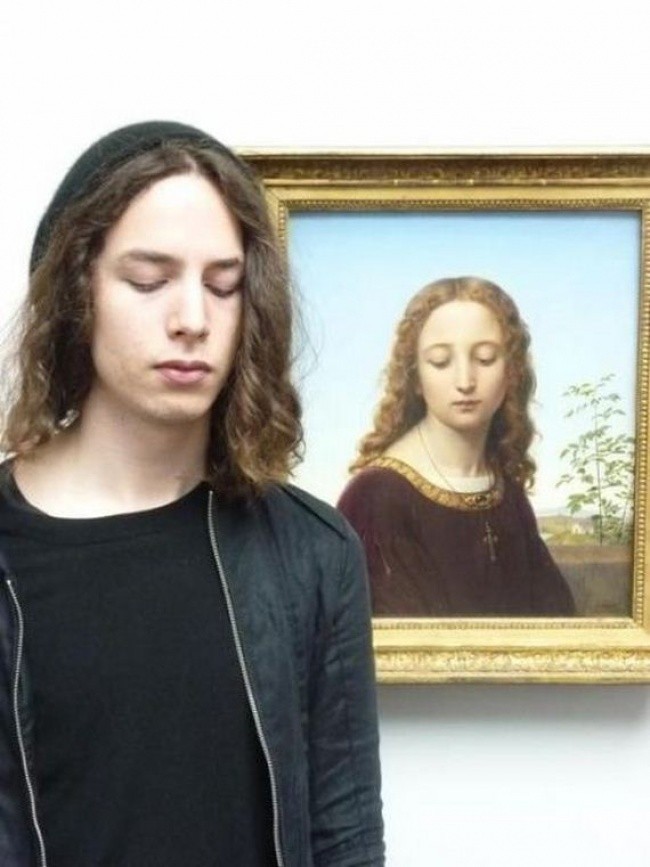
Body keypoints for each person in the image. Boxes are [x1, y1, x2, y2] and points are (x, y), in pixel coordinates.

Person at [0, 122, 384, 867]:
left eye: (223, 285)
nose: (193, 320)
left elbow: (346, 840)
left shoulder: (311, 551)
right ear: (78, 291)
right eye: (149, 281)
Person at [337, 276, 576, 618]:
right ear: (415, 377)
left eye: (485, 358)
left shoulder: (505, 489)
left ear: (512, 372)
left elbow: (559, 620)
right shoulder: (376, 497)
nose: (465, 381)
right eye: (440, 361)